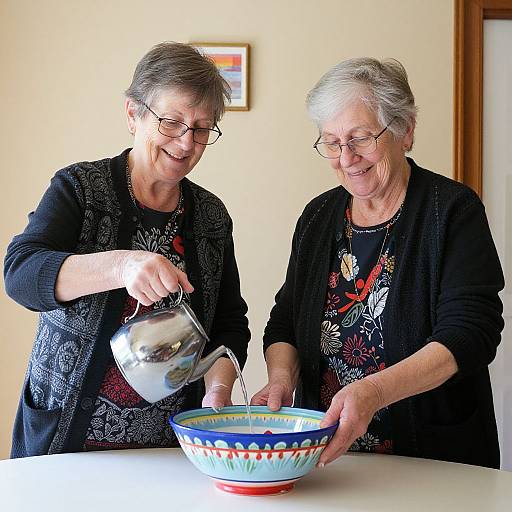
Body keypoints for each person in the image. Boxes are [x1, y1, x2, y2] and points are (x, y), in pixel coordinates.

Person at [251, 57, 504, 468]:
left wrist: (374, 392)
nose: (346, 157)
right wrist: (282, 379)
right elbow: (286, 320)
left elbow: (471, 334)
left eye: (360, 137)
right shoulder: (317, 216)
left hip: (432, 461)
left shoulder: (452, 211)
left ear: (405, 131)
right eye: (331, 142)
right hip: (329, 459)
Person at [4, 42, 250, 457]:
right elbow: (21, 273)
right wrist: (121, 265)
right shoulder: (80, 189)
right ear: (133, 114)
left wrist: (218, 390)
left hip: (167, 450)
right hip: (65, 443)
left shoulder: (210, 216)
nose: (186, 143)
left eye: (202, 128)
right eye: (172, 122)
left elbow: (228, 324)